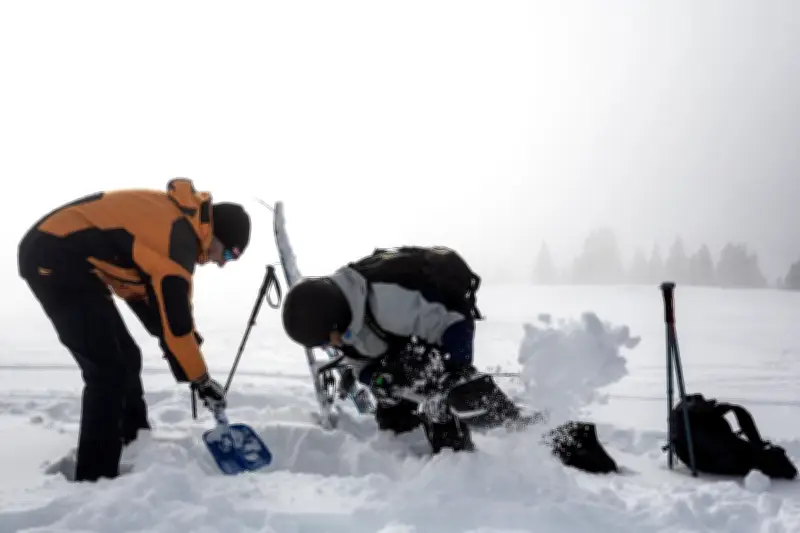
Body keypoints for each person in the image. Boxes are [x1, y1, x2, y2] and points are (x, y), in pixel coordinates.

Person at [16, 178, 251, 482]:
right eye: (229, 255)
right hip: (52, 256)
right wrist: (201, 380)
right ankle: (94, 478)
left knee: (127, 355)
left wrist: (184, 351)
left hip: (76, 264)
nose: (222, 264)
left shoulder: (178, 230)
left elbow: (151, 306)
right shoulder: (176, 243)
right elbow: (175, 325)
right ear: (217, 235)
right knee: (107, 370)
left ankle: (135, 441)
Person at [280, 246, 528, 453]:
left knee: (447, 398)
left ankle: (518, 434)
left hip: (441, 335)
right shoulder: (345, 322)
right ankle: (410, 456)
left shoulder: (388, 299)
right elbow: (359, 364)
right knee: (393, 421)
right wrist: (377, 380)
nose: (331, 346)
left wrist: (451, 374)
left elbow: (455, 321)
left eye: (328, 339)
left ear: (334, 317)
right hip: (400, 348)